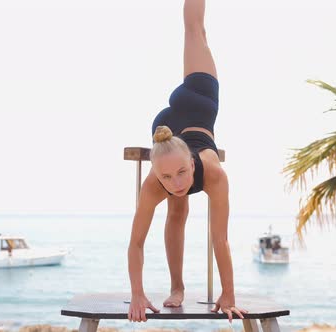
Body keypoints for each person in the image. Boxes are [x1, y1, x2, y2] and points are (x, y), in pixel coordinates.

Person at [127, 0, 247, 324]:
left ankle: (178, 288)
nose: (177, 183)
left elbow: (219, 239)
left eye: (182, 173)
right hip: (166, 126)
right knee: (177, 208)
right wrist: (137, 293)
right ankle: (176, 288)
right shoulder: (156, 181)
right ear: (157, 175)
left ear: (193, 165)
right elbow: (135, 243)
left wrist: (229, 293)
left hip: (197, 95)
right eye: (168, 178)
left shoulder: (214, 174)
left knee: (195, 29)